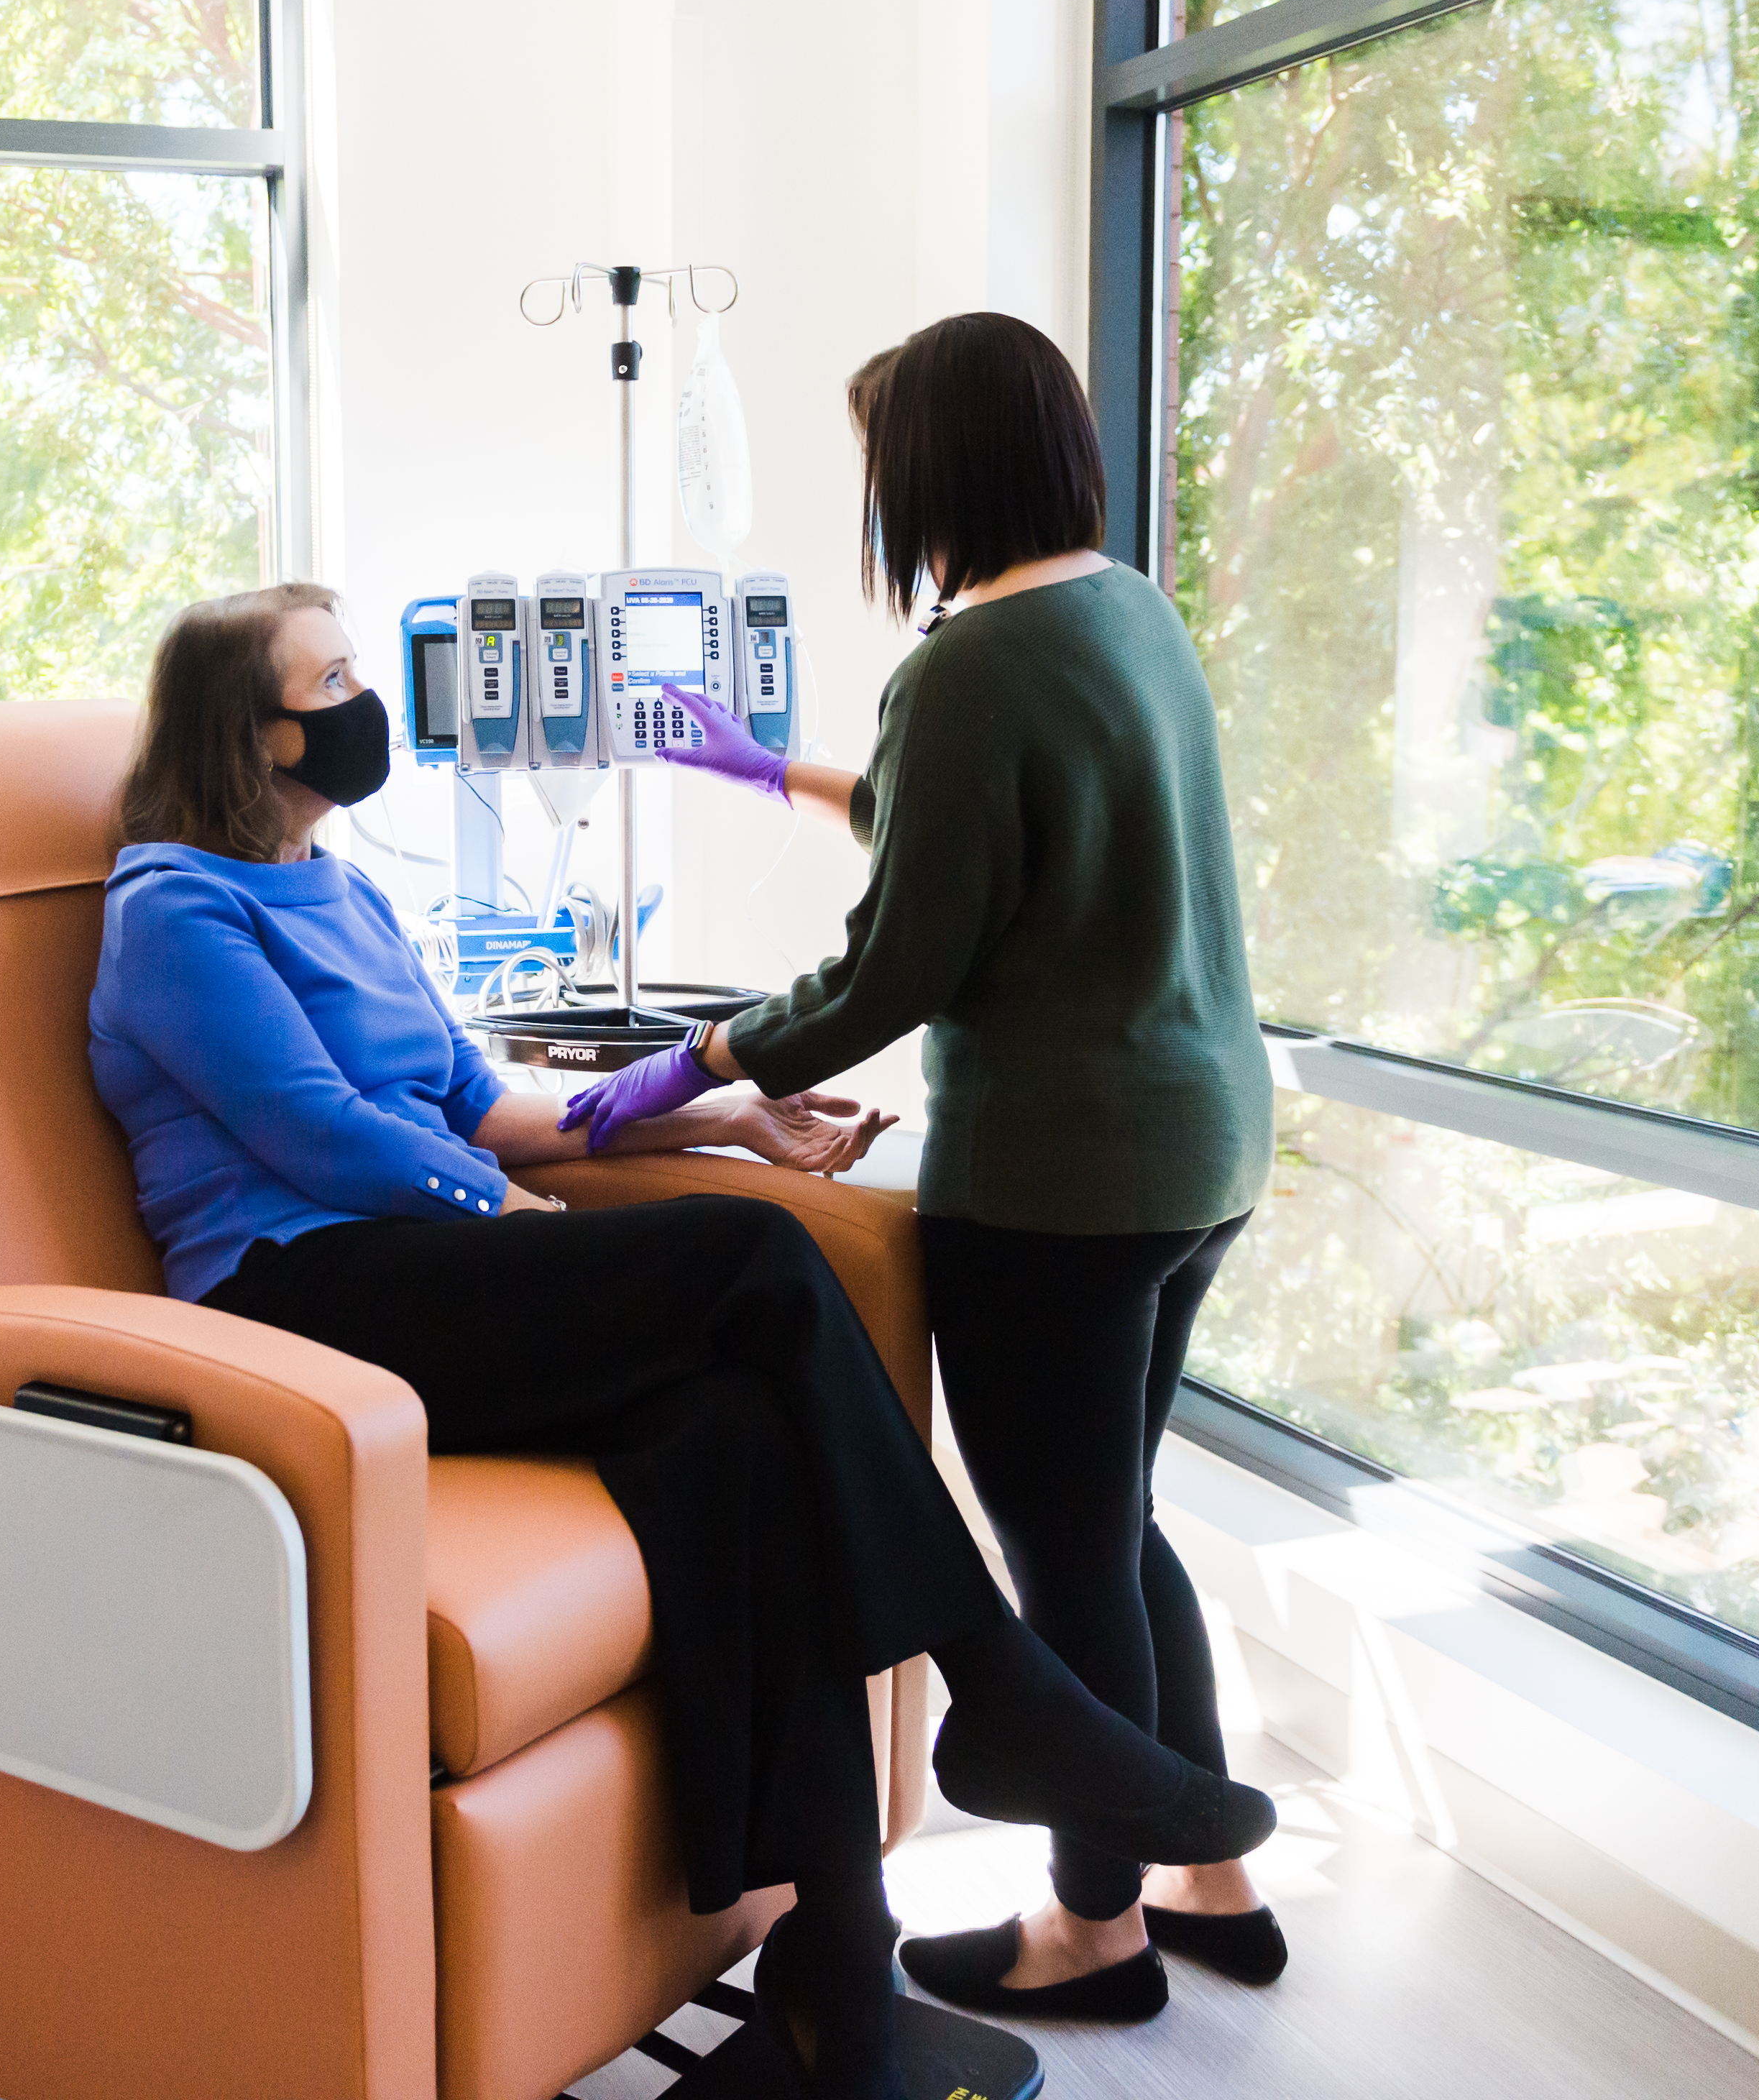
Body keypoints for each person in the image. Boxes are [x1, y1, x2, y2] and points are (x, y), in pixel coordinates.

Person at [87, 581, 1277, 2098]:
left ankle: (833, 1970)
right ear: (247, 728)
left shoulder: (339, 889)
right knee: (752, 1261)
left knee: (735, 1429)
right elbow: (312, 1133)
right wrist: (507, 1218)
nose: (360, 699)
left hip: (413, 1261)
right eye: (326, 677)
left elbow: (473, 1094)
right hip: (295, 1294)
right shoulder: (173, 904)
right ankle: (1000, 1680)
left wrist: (712, 1112)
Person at [566, 311, 1285, 2021]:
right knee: (1119, 1519)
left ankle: (1094, 1928)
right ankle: (1212, 1874)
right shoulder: (1128, 611)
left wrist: (697, 1061)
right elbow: (989, 820)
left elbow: (901, 961)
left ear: (935, 470)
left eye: (882, 464)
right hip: (1200, 1150)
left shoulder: (963, 662)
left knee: (1063, 1555)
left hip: (1058, 1182)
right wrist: (766, 769)